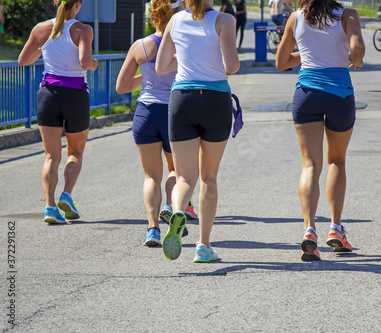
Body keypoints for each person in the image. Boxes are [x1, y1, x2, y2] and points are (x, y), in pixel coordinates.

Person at [276, 0, 365, 261]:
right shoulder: (347, 15)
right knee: (336, 160)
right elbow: (357, 50)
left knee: (309, 165)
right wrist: (354, 58)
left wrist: (308, 52)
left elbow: (281, 62)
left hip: (307, 94)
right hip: (339, 94)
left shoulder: (296, 17)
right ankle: (336, 229)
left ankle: (309, 231)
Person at [155, 0, 239, 262]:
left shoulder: (175, 21)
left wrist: (184, 59)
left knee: (184, 178)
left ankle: (178, 210)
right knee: (209, 178)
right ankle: (203, 246)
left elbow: (160, 67)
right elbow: (232, 66)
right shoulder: (224, 21)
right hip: (215, 100)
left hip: (182, 99)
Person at [116, 0, 198, 247]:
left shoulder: (139, 47)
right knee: (176, 171)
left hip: (146, 112)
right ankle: (172, 209)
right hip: (175, 111)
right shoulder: (184, 45)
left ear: (153, 16)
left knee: (151, 175)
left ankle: (152, 229)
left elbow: (122, 87)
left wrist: (148, 76)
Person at [18, 0, 98, 224]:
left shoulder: (41, 29)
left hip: (48, 96)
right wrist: (93, 64)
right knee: (75, 153)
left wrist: (44, 50)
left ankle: (50, 207)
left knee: (51, 156)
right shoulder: (83, 30)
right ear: (78, 4)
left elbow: (23, 60)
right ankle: (67, 195)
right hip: (75, 95)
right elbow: (83, 63)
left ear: (56, 2)